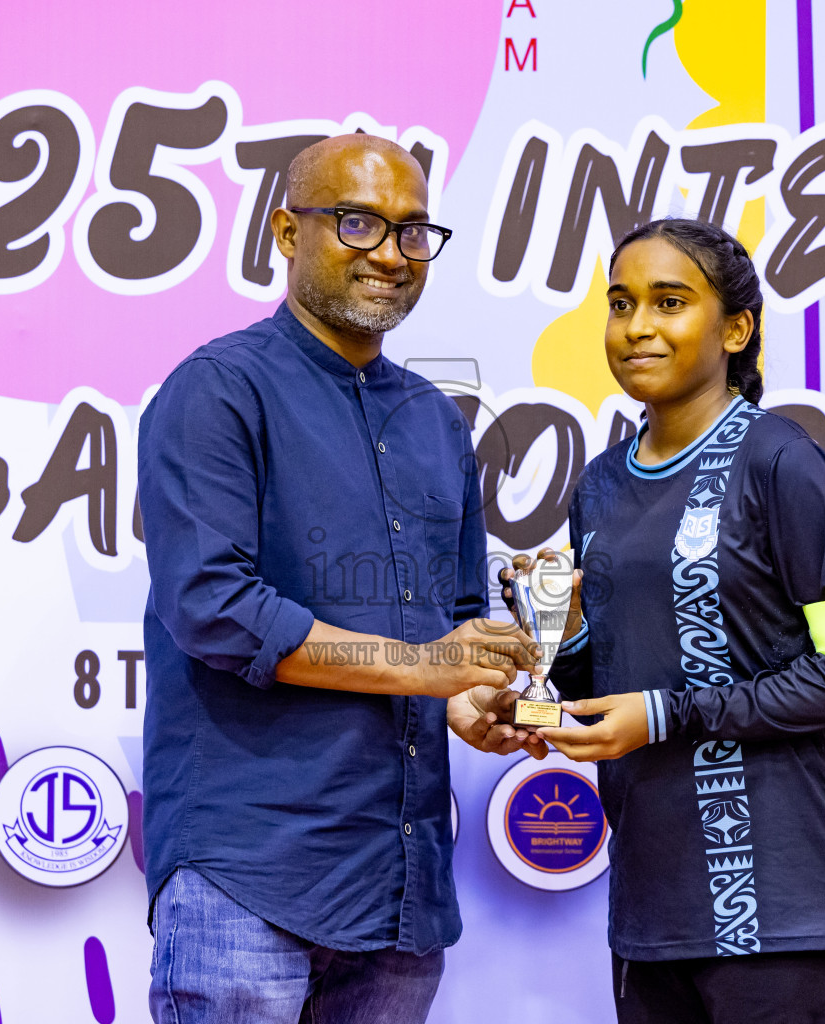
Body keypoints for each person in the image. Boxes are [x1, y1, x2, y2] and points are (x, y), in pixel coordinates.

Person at [137, 134, 541, 1024]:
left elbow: (453, 626)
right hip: (251, 871)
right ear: (287, 230)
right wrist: (419, 668)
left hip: (401, 891)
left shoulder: (436, 422)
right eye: (358, 224)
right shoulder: (218, 390)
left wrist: (469, 698)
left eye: (412, 232)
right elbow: (214, 608)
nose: (391, 255)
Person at [510, 218, 825, 1024]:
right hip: (652, 909)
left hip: (782, 913)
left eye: (670, 302)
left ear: (737, 328)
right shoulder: (600, 488)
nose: (638, 326)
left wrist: (667, 713)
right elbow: (605, 684)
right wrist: (554, 645)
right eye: (621, 304)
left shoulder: (784, 463)